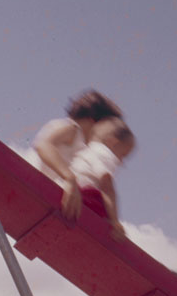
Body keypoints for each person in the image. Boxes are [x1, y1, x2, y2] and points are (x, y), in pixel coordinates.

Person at [33, 89, 125, 221]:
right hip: (50, 190)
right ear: (95, 123)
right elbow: (43, 144)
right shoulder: (72, 128)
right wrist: (69, 179)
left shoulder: (85, 147)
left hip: (65, 198)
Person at [68, 118, 136, 240]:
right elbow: (107, 187)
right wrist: (115, 221)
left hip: (70, 192)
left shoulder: (89, 149)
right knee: (109, 220)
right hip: (86, 197)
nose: (121, 162)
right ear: (113, 142)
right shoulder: (105, 154)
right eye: (123, 155)